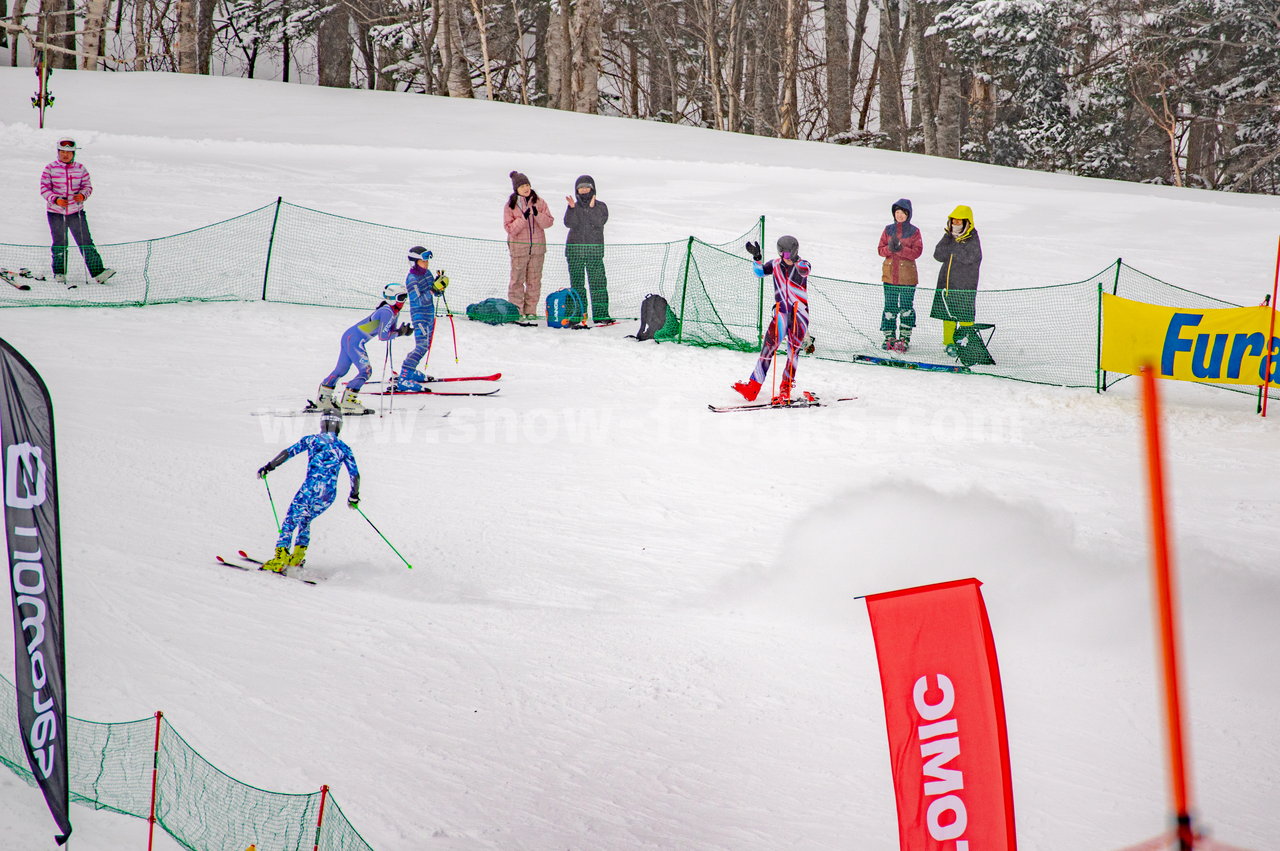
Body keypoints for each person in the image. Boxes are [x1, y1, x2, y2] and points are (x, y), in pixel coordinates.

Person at [256, 408, 360, 573]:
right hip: (329, 494)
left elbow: (288, 453)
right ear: (339, 425)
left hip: (310, 488)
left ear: (322, 424)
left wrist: (269, 467)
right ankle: (298, 556)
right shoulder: (344, 448)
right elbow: (355, 474)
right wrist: (354, 496)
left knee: (291, 519)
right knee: (305, 519)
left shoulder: (312, 440)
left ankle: (280, 558)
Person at [732, 235, 811, 405]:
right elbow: (759, 273)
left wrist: (795, 261)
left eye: (788, 254)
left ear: (795, 252)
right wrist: (757, 258)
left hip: (799, 316)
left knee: (792, 352)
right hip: (781, 314)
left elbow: (805, 271)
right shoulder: (775, 264)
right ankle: (753, 387)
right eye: (782, 253)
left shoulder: (803, 264)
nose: (784, 257)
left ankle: (785, 389)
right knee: (767, 349)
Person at [317, 284, 412, 412]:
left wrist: (401, 331)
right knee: (366, 371)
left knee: (341, 369)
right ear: (391, 298)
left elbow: (388, 331)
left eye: (406, 297)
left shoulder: (392, 311)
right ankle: (348, 401)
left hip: (349, 337)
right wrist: (400, 333)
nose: (404, 301)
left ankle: (323, 398)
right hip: (355, 340)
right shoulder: (387, 312)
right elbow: (383, 336)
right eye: (401, 297)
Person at [39, 138, 115, 287]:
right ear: (58, 152)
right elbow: (44, 188)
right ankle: (59, 272)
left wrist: (82, 195)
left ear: (74, 154)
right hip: (55, 213)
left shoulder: (80, 169)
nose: (65, 155)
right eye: (62, 152)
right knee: (60, 242)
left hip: (76, 213)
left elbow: (87, 186)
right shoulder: (50, 168)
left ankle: (98, 272)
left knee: (85, 241)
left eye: (69, 152)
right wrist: (56, 199)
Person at [393, 246, 449, 391]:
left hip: (429, 313)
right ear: (414, 262)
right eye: (423, 261)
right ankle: (404, 376)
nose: (426, 264)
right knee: (421, 346)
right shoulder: (412, 279)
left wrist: (439, 287)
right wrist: (432, 290)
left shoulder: (427, 273)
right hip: (419, 315)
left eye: (426, 261)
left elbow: (434, 294)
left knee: (426, 345)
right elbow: (418, 301)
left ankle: (410, 372)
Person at [930, 205, 983, 357]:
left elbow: (970, 257)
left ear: (967, 222)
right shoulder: (948, 237)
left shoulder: (972, 238)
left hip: (965, 285)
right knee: (948, 315)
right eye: (954, 221)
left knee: (965, 316)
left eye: (960, 222)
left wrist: (955, 246)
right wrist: (950, 240)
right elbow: (938, 255)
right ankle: (949, 343)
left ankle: (967, 342)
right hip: (946, 284)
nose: (956, 224)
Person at [563, 174, 613, 324]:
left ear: (593, 188)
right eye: (581, 188)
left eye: (587, 187)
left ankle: (601, 315)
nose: (584, 190)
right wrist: (571, 209)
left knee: (598, 285)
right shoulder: (574, 206)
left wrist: (591, 208)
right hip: (574, 253)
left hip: (594, 253)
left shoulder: (601, 206)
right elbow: (569, 223)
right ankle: (578, 315)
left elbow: (599, 222)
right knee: (577, 285)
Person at [504, 171, 554, 320]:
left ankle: (531, 310)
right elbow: (510, 229)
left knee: (534, 281)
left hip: (537, 249)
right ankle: (516, 310)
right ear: (516, 189)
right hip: (519, 249)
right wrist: (523, 217)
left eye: (527, 185)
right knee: (517, 280)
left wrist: (537, 214)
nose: (526, 188)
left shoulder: (539, 201)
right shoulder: (510, 206)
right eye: (522, 186)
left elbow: (549, 222)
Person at [877, 198, 924, 352]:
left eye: (903, 213)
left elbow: (917, 252)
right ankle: (889, 337)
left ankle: (904, 338)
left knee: (906, 308)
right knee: (889, 307)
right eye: (897, 212)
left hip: (907, 278)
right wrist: (890, 249)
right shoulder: (888, 229)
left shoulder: (914, 231)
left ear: (908, 214)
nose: (900, 215)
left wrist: (901, 249)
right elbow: (880, 250)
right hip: (890, 276)